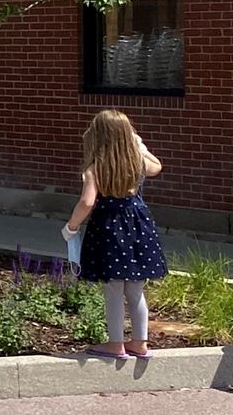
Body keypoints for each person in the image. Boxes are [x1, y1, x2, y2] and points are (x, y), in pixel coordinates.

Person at [64, 109, 167, 361]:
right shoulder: (137, 162)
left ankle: (115, 343)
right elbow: (157, 166)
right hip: (138, 226)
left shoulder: (95, 168)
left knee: (113, 288)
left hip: (109, 228)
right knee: (136, 289)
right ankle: (140, 342)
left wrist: (72, 226)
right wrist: (139, 146)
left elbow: (87, 202)